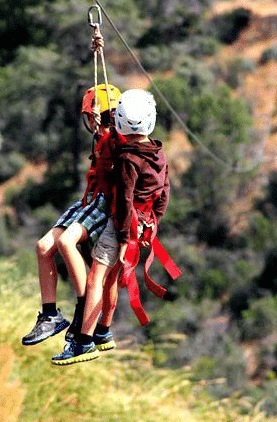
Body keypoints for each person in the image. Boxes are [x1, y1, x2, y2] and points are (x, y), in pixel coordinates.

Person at [51, 88, 170, 365]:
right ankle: (103, 332)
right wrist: (153, 222)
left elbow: (125, 198)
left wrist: (124, 235)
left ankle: (82, 342)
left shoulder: (129, 159)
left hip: (123, 226)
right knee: (112, 280)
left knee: (95, 279)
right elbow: (164, 192)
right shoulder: (157, 152)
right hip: (143, 224)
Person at [21, 83, 122, 348]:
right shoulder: (102, 137)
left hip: (104, 203)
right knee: (44, 247)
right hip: (89, 200)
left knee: (67, 243)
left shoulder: (116, 140)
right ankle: (50, 314)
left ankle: (82, 311)